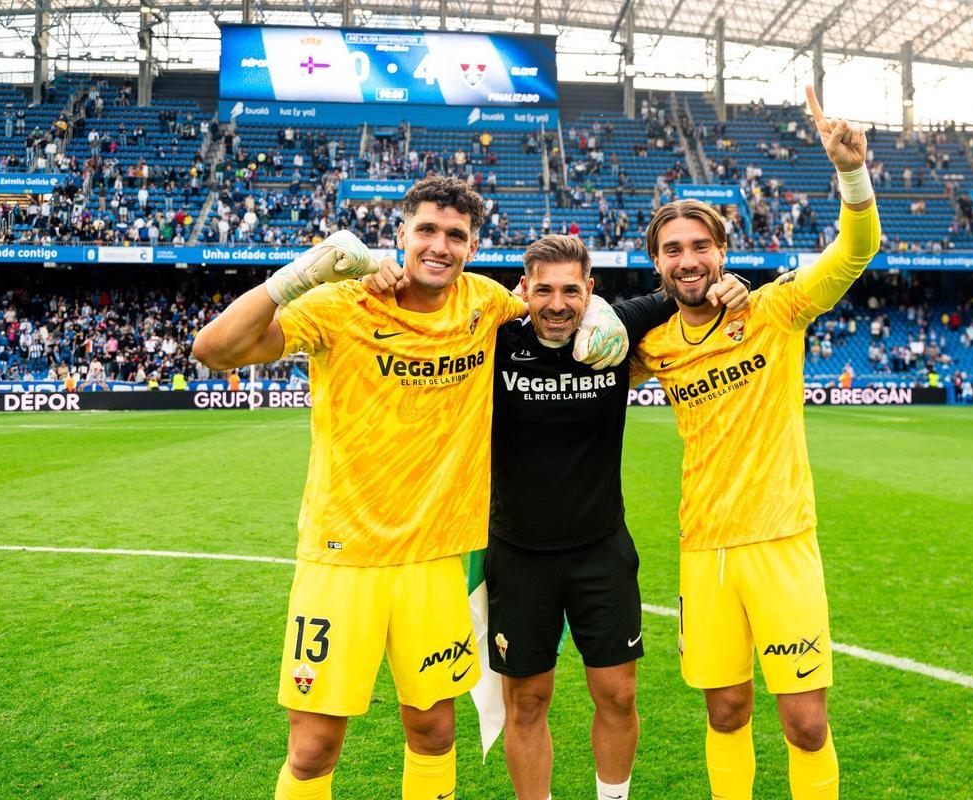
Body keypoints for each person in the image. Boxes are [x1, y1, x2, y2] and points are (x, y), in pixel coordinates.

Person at [192, 176, 627, 800]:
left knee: (433, 730)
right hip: (343, 555)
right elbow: (215, 349)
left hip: (433, 560)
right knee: (313, 747)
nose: (440, 246)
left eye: (456, 235)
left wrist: (605, 308)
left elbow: (550, 302)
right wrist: (298, 274)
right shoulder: (345, 302)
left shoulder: (483, 303)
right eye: (427, 229)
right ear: (401, 234)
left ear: (473, 247)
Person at [631, 85, 880, 800]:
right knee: (726, 708)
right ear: (658, 263)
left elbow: (856, 251)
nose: (688, 258)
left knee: (804, 722)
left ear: (722, 253)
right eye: (673, 249)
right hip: (704, 547)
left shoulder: (778, 309)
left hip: (780, 541)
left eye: (701, 246)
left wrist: (851, 175)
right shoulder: (653, 345)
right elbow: (586, 344)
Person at [484, 235, 748, 800]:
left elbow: (688, 287)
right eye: (545, 290)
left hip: (600, 550)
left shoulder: (619, 326)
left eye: (572, 290)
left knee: (619, 695)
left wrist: (737, 283)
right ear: (524, 289)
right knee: (526, 702)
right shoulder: (496, 339)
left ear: (591, 292)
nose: (558, 304)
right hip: (518, 553)